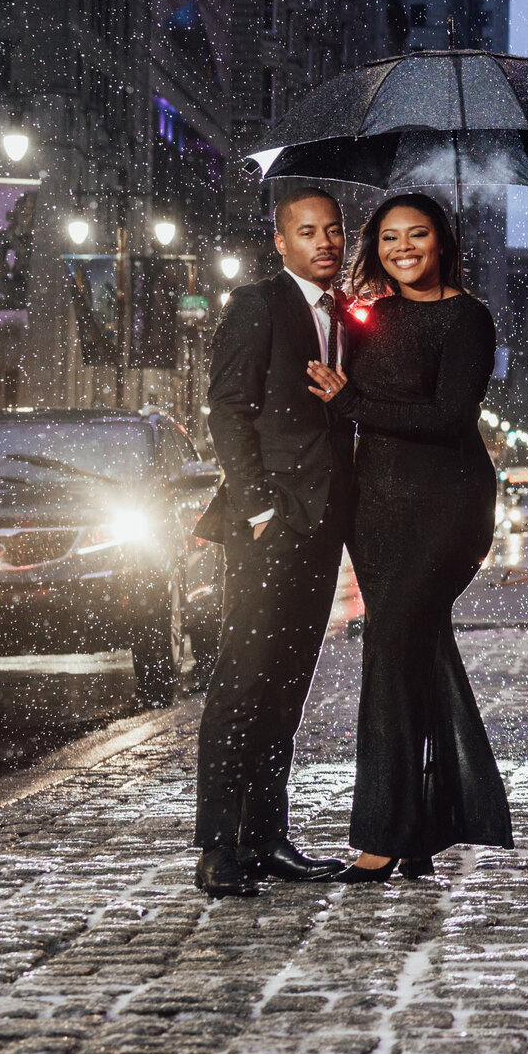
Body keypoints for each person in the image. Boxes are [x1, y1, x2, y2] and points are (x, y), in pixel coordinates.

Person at [305, 192, 511, 881]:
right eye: (389, 237)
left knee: (390, 648)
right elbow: (327, 383)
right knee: (412, 653)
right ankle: (420, 828)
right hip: (378, 510)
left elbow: (450, 415)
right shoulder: (369, 317)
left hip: (447, 507)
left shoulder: (469, 318)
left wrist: (355, 404)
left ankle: (379, 837)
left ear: (441, 241)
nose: (402, 248)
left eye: (416, 234)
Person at [191, 187, 358, 897]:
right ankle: (217, 845)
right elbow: (227, 410)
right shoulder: (258, 305)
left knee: (289, 683)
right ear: (281, 242)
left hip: (323, 527)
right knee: (242, 680)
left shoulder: (348, 315)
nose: (324, 242)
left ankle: (265, 835)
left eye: (333, 231)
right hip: (269, 524)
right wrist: (258, 506)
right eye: (307, 232)